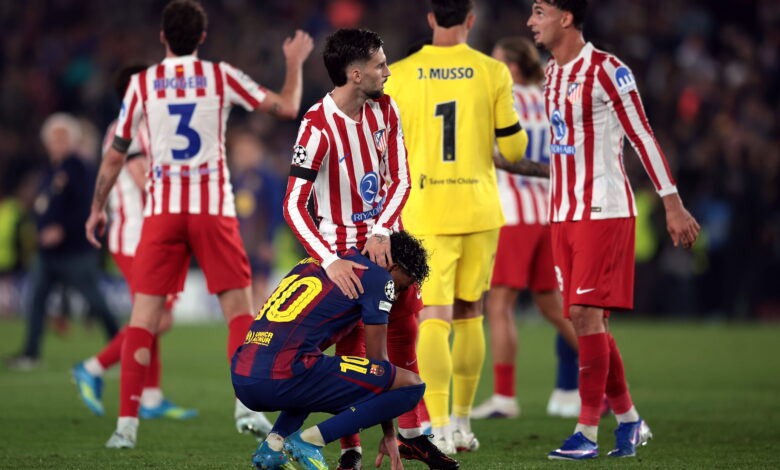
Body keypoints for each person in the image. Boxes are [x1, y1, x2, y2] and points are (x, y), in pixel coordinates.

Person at [84, 0, 313, 448]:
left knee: (143, 317)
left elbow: (115, 155)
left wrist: (97, 207)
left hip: (163, 212)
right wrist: (293, 63)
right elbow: (288, 107)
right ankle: (246, 408)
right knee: (239, 311)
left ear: (163, 37)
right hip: (212, 209)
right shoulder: (220, 76)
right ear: (202, 37)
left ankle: (125, 426)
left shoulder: (143, 83)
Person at [526, 0, 700, 460]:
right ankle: (629, 420)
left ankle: (586, 432)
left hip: (603, 209)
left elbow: (641, 135)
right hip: (562, 213)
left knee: (584, 313)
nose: (531, 22)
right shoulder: (551, 72)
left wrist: (672, 203)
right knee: (590, 321)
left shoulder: (608, 70)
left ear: (566, 18)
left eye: (539, 12)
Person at [282, 28, 457, 470]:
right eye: (380, 64)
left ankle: (413, 436)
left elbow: (401, 178)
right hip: (345, 255)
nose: (388, 71)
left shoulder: (386, 108)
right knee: (352, 352)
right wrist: (329, 260)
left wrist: (381, 230)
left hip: (387, 246)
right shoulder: (317, 126)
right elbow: (293, 205)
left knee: (405, 333)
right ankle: (351, 449)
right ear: (355, 74)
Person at [383, 0, 529, 454]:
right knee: (470, 314)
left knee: (433, 317)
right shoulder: (493, 71)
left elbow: (385, 145)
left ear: (431, 19)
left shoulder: (400, 74)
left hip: (427, 210)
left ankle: (440, 426)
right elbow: (515, 147)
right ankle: (463, 425)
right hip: (479, 209)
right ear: (470, 20)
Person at [232, 231, 429, 470]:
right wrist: (389, 434)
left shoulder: (315, 262)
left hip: (243, 376)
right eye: (400, 286)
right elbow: (380, 366)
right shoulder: (379, 277)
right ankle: (310, 441)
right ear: (393, 265)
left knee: (315, 369)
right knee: (411, 385)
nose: (396, 294)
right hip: (282, 374)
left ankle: (273, 446)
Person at [71, 65, 196, 420]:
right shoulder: (129, 128)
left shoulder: (147, 126)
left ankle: (151, 398)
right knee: (158, 317)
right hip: (137, 237)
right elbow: (143, 180)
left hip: (147, 236)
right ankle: (93, 367)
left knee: (151, 314)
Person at [471, 37, 580, 421]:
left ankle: (504, 397)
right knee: (552, 305)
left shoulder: (502, 98)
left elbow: (489, 154)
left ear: (512, 68)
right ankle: (608, 379)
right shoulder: (548, 96)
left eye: (497, 61)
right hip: (548, 213)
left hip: (511, 215)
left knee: (499, 305)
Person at [6, 113, 119, 371]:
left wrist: (62, 229)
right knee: (35, 302)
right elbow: (43, 206)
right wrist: (41, 228)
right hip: (48, 254)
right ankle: (31, 353)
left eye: (62, 137)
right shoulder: (49, 169)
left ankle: (120, 348)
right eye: (53, 138)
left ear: (73, 140)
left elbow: (89, 206)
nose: (57, 143)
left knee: (96, 302)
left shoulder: (81, 168)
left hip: (75, 252)